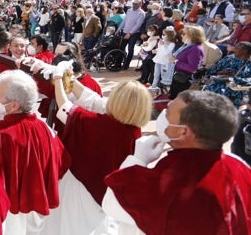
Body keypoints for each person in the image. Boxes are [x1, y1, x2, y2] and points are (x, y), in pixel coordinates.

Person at [103, 90, 251, 235]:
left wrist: (137, 159)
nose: (163, 115)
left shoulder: (170, 183)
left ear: (183, 132)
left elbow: (112, 203)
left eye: (167, 114)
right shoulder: (241, 168)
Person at [44, 74, 152, 235]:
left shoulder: (98, 124)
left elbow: (65, 106)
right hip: (106, 191)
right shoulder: (133, 130)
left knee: (69, 225)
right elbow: (93, 99)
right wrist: (70, 79)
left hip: (80, 187)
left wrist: (59, 78)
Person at [0, 70, 69, 234]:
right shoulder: (44, 128)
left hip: (11, 209)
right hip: (36, 205)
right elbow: (61, 162)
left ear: (14, 105)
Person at [169, 25, 205, 99]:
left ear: (192, 35)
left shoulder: (195, 49)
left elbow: (193, 68)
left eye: (184, 33)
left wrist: (176, 61)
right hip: (178, 77)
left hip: (183, 80)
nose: (181, 35)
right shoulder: (188, 45)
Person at [118, 0, 146, 70]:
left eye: (136, 4)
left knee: (130, 49)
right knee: (121, 47)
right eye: (133, 3)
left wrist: (130, 33)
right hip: (125, 32)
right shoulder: (129, 10)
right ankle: (118, 63)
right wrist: (119, 29)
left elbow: (138, 25)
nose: (134, 5)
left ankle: (126, 64)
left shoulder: (142, 13)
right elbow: (125, 21)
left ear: (140, 4)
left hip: (134, 34)